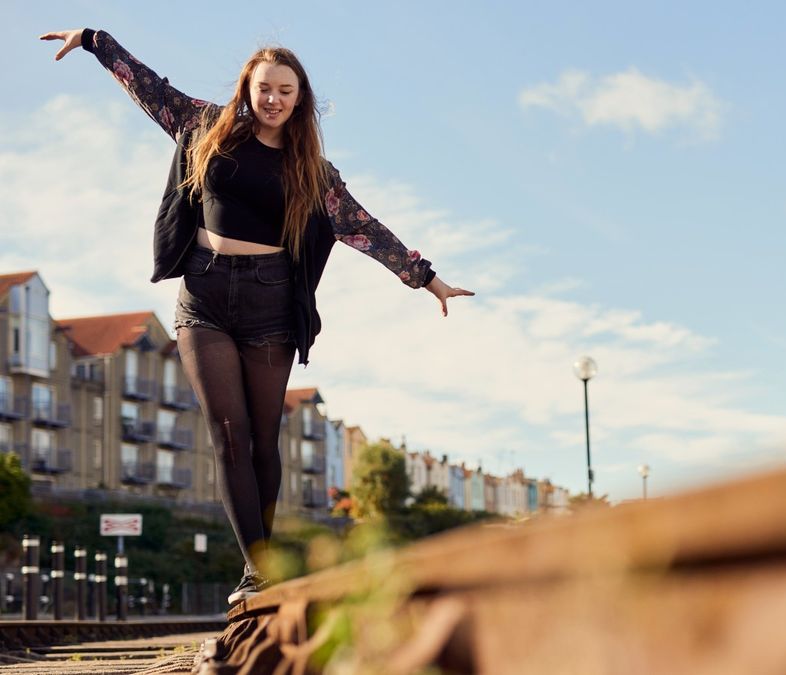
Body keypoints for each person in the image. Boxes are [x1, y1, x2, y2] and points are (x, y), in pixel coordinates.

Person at [40, 28, 474, 604]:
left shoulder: (312, 171)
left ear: (300, 100)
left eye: (285, 91)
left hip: (270, 300)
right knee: (228, 433)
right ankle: (256, 568)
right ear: (248, 87)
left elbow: (362, 228)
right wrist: (95, 41)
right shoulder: (204, 126)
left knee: (264, 439)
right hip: (204, 295)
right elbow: (148, 88)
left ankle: (266, 558)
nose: (273, 98)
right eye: (264, 87)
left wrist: (426, 278)